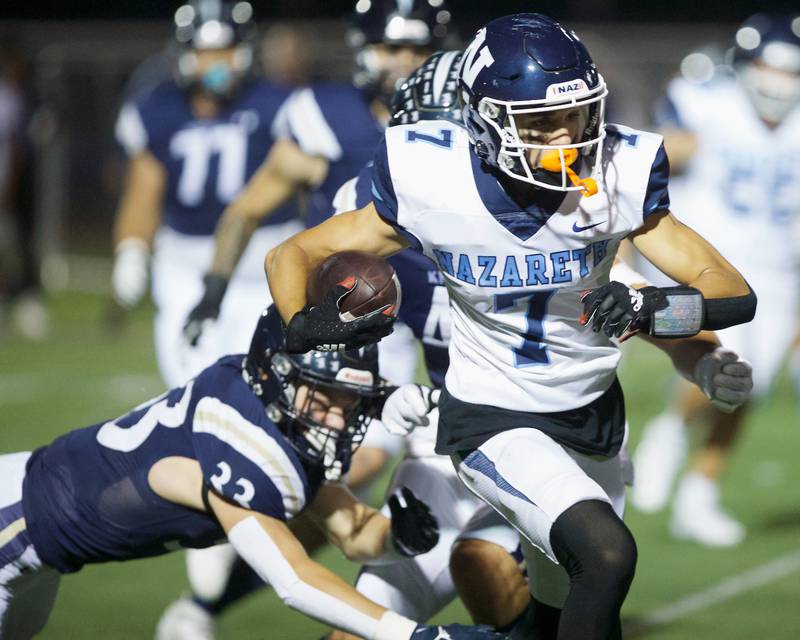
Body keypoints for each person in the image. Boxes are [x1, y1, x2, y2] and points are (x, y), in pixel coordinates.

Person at [264, 14, 757, 640]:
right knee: (607, 557)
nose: (565, 136)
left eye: (576, 116)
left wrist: (665, 317)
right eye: (541, 122)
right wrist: (302, 327)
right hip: (492, 416)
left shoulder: (609, 178)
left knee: (557, 611)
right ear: (485, 123)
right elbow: (292, 254)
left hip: (592, 417)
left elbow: (728, 292)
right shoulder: (431, 183)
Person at [0, 303, 510, 640]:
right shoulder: (242, 440)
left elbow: (351, 532)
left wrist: (399, 536)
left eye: (346, 398)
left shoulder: (272, 415)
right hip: (13, 527)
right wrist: (415, 634)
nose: (337, 415)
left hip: (43, 556)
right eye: (323, 396)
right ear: (281, 379)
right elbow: (294, 580)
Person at [631, 12, 800, 547]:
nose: (780, 83)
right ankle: (670, 431)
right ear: (747, 65)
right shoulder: (707, 103)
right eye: (772, 68)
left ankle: (699, 495)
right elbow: (653, 155)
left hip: (779, 270)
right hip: (714, 265)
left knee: (752, 388)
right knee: (728, 362)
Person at [111, 0, 302, 388]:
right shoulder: (157, 108)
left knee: (266, 389)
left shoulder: (278, 105)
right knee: (192, 388)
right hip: (186, 261)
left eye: (226, 50)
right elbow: (144, 189)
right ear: (184, 55)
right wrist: (131, 249)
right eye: (207, 51)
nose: (218, 63)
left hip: (263, 259)